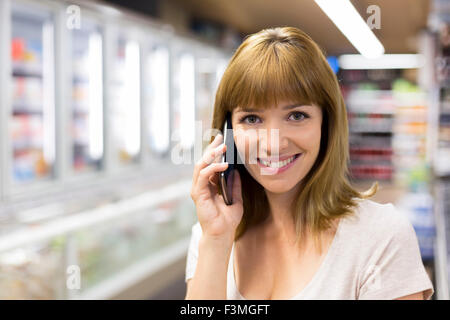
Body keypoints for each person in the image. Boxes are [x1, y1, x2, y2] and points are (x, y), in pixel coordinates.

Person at [185, 26, 434, 300]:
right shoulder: (209, 235)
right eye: (252, 119)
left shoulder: (380, 238)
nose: (273, 144)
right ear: (227, 132)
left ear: (326, 124)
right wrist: (217, 240)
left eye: (296, 116)